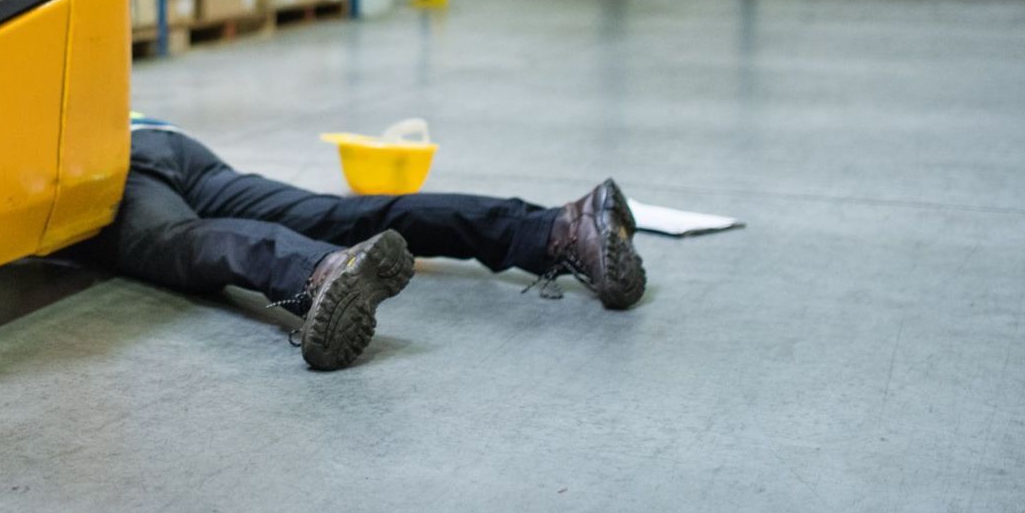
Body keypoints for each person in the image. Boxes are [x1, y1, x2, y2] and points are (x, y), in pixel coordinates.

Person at [85, 117, 648, 371]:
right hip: (163, 138)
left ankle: (321, 273)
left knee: (177, 241)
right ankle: (565, 227)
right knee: (336, 212)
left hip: (97, 163)